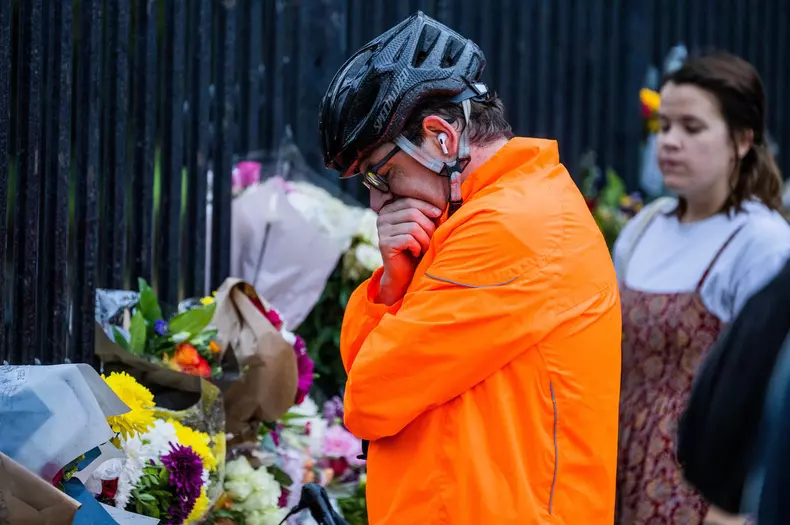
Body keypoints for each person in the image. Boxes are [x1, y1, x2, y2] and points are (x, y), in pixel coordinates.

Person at [319, 11, 622, 524]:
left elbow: (370, 397)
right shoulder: (482, 212)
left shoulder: (513, 223)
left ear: (442, 137)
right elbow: (371, 372)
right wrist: (392, 285)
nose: (376, 204)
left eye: (380, 174)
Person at [613, 52, 790, 524]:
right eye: (664, 126)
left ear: (742, 139)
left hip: (699, 488)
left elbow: (766, 384)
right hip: (618, 467)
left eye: (691, 128)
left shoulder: (761, 242)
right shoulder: (642, 230)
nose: (669, 142)